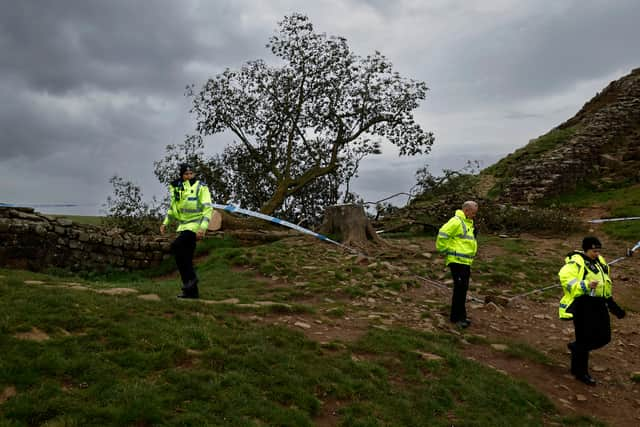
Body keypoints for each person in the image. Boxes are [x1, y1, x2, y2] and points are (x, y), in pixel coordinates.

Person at [558, 236, 626, 385]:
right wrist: (586, 285)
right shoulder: (576, 262)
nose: (597, 254)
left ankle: (576, 348)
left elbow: (605, 285)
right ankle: (580, 372)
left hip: (599, 303)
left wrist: (614, 307)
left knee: (605, 337)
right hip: (582, 305)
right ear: (586, 249)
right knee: (584, 338)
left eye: (598, 251)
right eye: (594, 251)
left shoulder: (600, 262)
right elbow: (565, 279)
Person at [160, 163, 213, 299]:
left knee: (176, 246)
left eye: (191, 173)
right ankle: (191, 292)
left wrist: (202, 228)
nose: (189, 176)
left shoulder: (201, 187)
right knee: (186, 258)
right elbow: (173, 208)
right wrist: (165, 222)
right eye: (186, 174)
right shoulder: (178, 189)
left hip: (194, 226)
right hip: (183, 226)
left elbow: (208, 209)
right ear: (182, 176)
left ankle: (192, 280)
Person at [436, 200, 478, 328]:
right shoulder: (456, 221)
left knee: (462, 289)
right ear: (466, 210)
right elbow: (443, 234)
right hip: (457, 261)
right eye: (473, 213)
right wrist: (445, 250)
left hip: (465, 262)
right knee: (460, 290)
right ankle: (457, 318)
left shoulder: (467, 223)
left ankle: (461, 316)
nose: (474, 215)